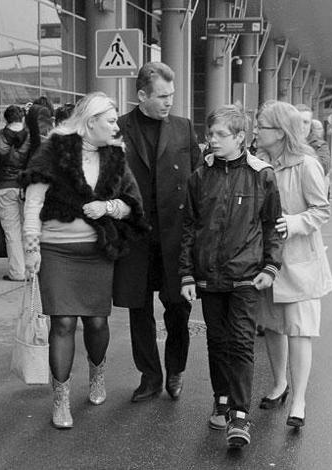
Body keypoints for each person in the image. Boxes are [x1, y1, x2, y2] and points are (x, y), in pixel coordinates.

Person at [20, 92, 149, 428]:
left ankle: (97, 372)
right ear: (91, 122)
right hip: (55, 251)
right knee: (63, 323)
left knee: (96, 323)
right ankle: (60, 400)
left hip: (97, 253)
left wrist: (107, 207)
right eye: (111, 121)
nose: (116, 127)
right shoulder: (54, 150)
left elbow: (132, 205)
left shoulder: (115, 157)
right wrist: (31, 250)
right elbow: (33, 203)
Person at [179, 105, 283, 448]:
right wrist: (186, 275)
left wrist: (271, 266)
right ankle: (221, 398)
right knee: (217, 341)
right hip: (209, 276)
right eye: (210, 133)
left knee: (240, 342)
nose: (211, 139)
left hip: (246, 277)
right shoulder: (199, 177)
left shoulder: (262, 175)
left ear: (240, 138)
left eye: (220, 134)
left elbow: (273, 225)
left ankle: (239, 415)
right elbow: (189, 228)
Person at [114, 61, 201, 402]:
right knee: (139, 309)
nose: (169, 102)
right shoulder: (119, 128)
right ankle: (149, 376)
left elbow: (196, 179)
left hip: (175, 236)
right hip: (136, 234)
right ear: (141, 95)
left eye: (171, 95)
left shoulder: (183, 127)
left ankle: (175, 370)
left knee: (178, 308)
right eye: (162, 96)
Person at [254, 100, 332, 430]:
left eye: (261, 126)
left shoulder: (306, 164)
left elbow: (322, 210)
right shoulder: (258, 163)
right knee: (273, 326)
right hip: (268, 262)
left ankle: (299, 399)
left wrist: (294, 222)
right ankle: (279, 385)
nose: (256, 131)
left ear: (280, 132)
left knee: (300, 331)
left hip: (300, 262)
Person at [0, 105, 30, 282]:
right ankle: (32, 270)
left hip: (4, 187)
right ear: (22, 118)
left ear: (6, 119)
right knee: (29, 229)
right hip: (27, 188)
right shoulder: (31, 138)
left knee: (12, 232)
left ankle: (17, 272)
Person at [295, 104, 330, 177]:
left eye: (305, 122)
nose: (301, 126)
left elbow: (322, 169)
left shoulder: (320, 145)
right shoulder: (281, 142)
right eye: (297, 121)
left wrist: (301, 144)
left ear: (310, 125)